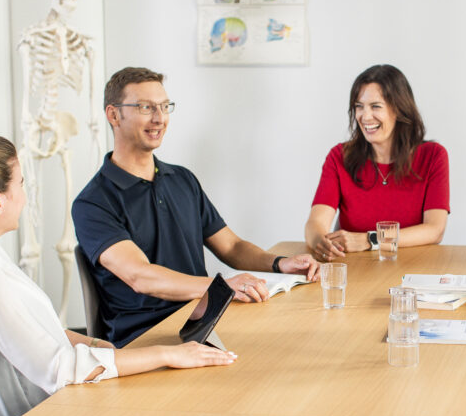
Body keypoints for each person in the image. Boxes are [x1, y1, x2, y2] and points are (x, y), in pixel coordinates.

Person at [0, 134, 237, 416]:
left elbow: (36, 334)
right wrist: (167, 355)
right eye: (20, 183)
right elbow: (59, 370)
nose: (25, 195)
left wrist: (97, 345)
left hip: (62, 408)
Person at [73, 67, 319, 347]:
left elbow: (232, 247)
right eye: (146, 107)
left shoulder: (182, 180)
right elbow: (141, 277)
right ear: (113, 115)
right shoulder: (92, 202)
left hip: (201, 322)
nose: (159, 118)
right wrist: (218, 287)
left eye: (165, 107)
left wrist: (280, 263)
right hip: (146, 339)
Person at [305, 64, 449, 261]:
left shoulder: (433, 156)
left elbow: (435, 230)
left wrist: (369, 240)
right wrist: (320, 242)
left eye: (375, 106)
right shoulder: (339, 156)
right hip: (354, 271)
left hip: (414, 270)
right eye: (359, 106)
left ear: (398, 109)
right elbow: (316, 223)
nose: (365, 117)